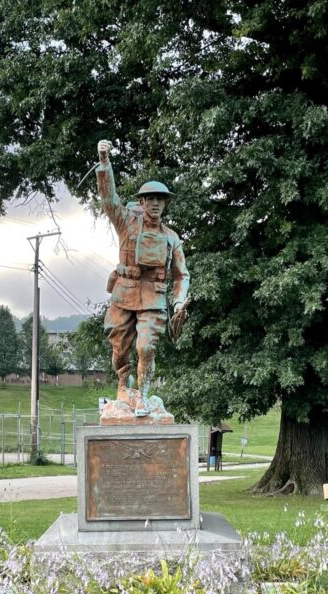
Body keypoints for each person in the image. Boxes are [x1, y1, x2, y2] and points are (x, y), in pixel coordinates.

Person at [96, 139, 189, 415]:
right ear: (142, 201)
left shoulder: (171, 238)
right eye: (151, 199)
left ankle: (145, 396)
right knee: (119, 347)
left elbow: (182, 275)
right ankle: (124, 384)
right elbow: (108, 199)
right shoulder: (126, 222)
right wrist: (104, 163)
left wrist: (180, 301)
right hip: (124, 293)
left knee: (146, 347)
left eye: (161, 199)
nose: (156, 204)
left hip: (153, 298)